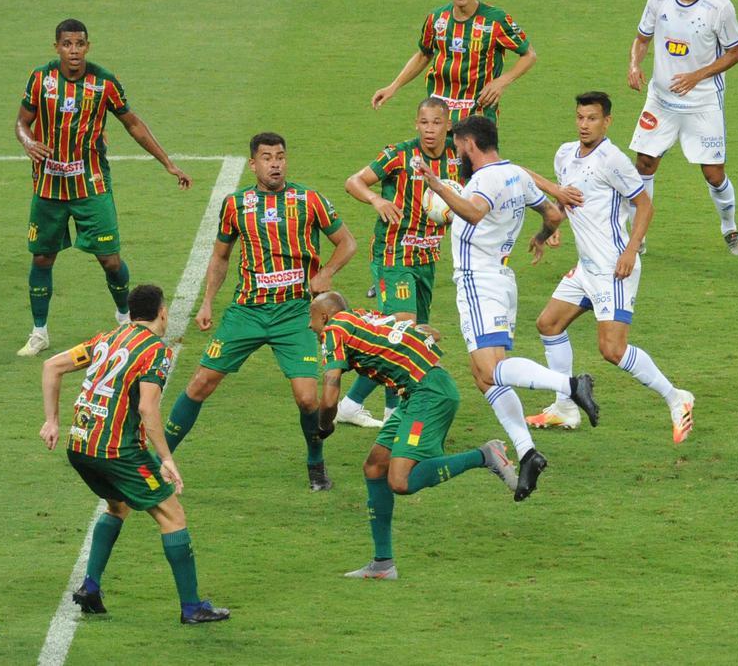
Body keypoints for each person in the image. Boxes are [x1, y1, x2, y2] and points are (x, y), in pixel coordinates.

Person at [418, 115, 599, 501]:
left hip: (479, 282)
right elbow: (552, 214)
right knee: (484, 378)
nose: (456, 153)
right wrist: (540, 237)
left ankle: (571, 385)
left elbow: (474, 212)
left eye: (458, 146)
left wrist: (437, 186)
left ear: (470, 144)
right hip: (500, 280)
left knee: (490, 369)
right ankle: (527, 452)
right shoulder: (516, 173)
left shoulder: (483, 181)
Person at [162, 132, 356, 491]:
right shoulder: (235, 205)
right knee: (200, 383)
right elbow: (221, 256)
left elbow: (347, 242)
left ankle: (316, 464)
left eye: (280, 156)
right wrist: (207, 301)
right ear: (253, 164)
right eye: (267, 157)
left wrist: (327, 272)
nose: (276, 163)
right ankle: (160, 460)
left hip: (295, 313)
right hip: (247, 312)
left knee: (307, 397)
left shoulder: (309, 200)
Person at [39, 284, 230, 624]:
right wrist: (166, 458)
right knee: (173, 516)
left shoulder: (106, 338)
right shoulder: (156, 351)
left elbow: (52, 366)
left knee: (118, 505)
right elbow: (147, 409)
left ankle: (91, 588)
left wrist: (52, 421)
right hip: (117, 452)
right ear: (162, 312)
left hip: (80, 445)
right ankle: (191, 608)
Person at [15, 19, 192, 357]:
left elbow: (134, 124)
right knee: (42, 257)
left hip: (91, 184)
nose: (74, 51)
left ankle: (124, 318)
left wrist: (167, 163)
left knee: (110, 260)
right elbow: (22, 121)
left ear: (88, 46)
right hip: (49, 186)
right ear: (57, 47)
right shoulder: (41, 79)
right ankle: (39, 332)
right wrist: (27, 141)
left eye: (80, 44)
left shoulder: (104, 82)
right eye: (67, 44)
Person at [312, 292, 517, 579]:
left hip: (428, 393)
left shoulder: (334, 329)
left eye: (312, 320)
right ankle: (383, 564)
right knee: (374, 466)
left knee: (401, 480)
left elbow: (331, 390)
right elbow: (423, 328)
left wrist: (323, 425)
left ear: (323, 316)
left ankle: (485, 455)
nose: (311, 327)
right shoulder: (359, 317)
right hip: (414, 393)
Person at [529, 92, 696, 443]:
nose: (584, 125)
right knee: (548, 323)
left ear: (607, 121)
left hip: (613, 268)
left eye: (592, 118)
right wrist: (550, 231)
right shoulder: (564, 155)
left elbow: (645, 205)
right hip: (586, 268)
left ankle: (676, 397)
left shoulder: (613, 160)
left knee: (613, 350)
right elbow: (566, 201)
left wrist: (631, 251)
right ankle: (564, 407)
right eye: (579, 117)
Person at [338, 97, 460, 428]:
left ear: (448, 125)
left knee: (411, 336)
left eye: (437, 122)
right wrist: (377, 199)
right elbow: (354, 181)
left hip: (427, 258)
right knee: (403, 328)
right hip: (393, 254)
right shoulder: (400, 154)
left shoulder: (458, 156)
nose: (430, 129)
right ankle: (390, 413)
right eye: (424, 122)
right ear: (416, 124)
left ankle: (354, 404)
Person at [627, 0, 738, 256]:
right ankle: (637, 238)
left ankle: (729, 229)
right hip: (661, 101)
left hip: (702, 102)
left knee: (713, 173)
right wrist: (634, 65)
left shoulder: (719, 7)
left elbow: (735, 53)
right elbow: (642, 38)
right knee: (644, 163)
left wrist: (697, 75)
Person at [372, 0, 536, 123]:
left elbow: (529, 55)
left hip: (477, 113)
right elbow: (424, 55)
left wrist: (502, 81)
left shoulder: (495, 20)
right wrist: (393, 87)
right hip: (439, 114)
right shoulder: (436, 18)